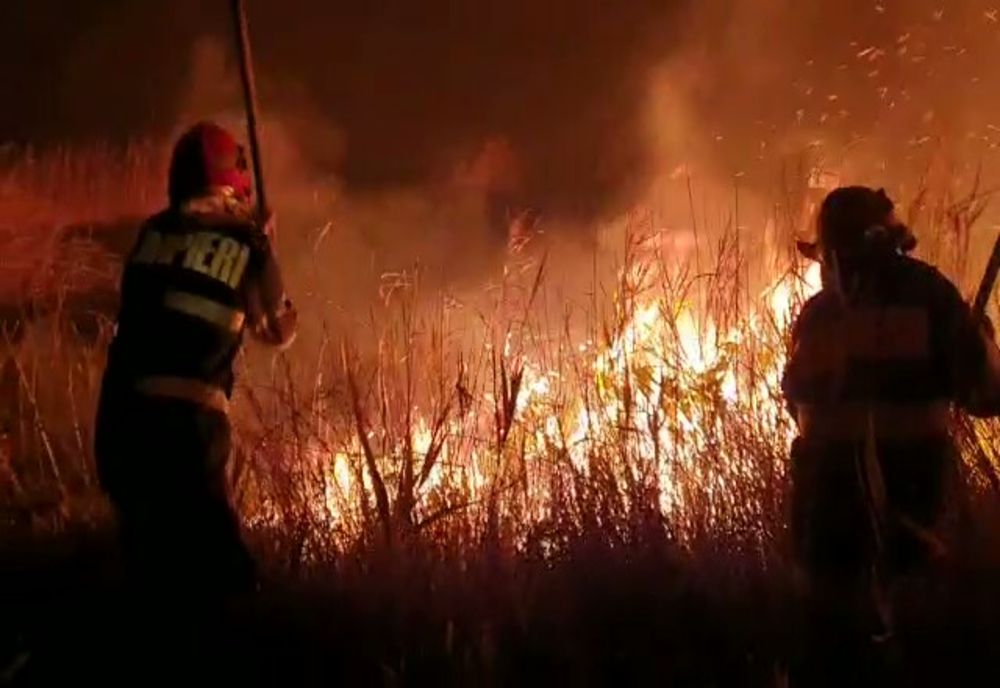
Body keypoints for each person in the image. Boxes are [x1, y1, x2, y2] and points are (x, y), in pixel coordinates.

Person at [781, 185, 1000, 681]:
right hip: (914, 519)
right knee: (921, 652)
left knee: (830, 658)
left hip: (827, 529)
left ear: (833, 254)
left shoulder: (815, 319)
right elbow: (987, 395)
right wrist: (981, 343)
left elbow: (798, 404)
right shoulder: (932, 298)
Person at [94, 121, 297, 600]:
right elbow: (278, 330)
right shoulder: (247, 244)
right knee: (222, 581)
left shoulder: (152, 231)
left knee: (148, 572)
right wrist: (264, 249)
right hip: (186, 433)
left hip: (119, 423)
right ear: (234, 179)